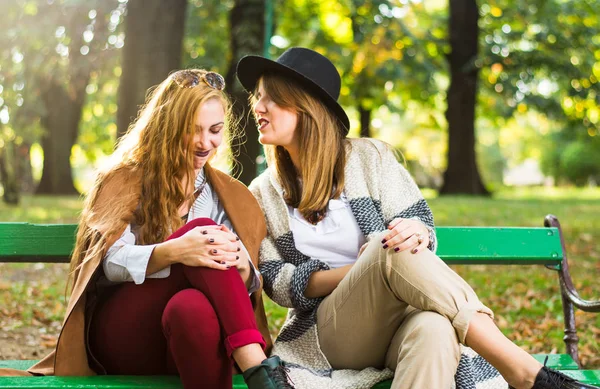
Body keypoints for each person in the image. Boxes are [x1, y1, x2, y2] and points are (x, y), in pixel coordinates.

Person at [235, 47, 597, 389]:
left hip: (399, 322)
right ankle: (523, 371)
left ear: (306, 107)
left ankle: (522, 373)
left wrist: (416, 232)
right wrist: (368, 271)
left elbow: (421, 227)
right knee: (386, 246)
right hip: (326, 334)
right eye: (256, 97)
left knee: (435, 329)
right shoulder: (262, 191)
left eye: (269, 97)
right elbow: (276, 282)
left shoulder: (371, 158)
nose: (257, 106)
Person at [0, 69, 293, 389]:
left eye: (214, 130)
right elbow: (109, 264)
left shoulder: (226, 193)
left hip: (190, 334)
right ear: (166, 127)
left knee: (191, 309)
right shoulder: (124, 180)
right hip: (125, 335)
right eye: (192, 130)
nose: (204, 142)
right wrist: (173, 252)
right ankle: (261, 372)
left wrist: (243, 268)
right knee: (204, 231)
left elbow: (238, 288)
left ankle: (260, 377)